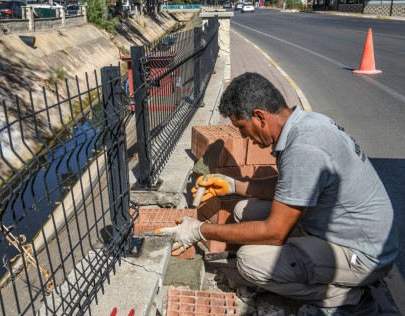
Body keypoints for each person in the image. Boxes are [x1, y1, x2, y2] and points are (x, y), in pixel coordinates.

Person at [156, 72, 399, 313]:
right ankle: (308, 263)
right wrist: (233, 185)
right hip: (336, 228)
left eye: (241, 127)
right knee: (242, 210)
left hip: (363, 254)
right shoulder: (304, 124)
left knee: (250, 263)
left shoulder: (305, 148)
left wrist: (199, 230)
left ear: (259, 116)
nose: (243, 136)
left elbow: (274, 232)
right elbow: (288, 187)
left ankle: (348, 296)